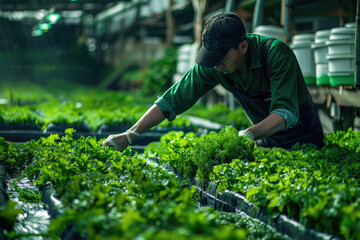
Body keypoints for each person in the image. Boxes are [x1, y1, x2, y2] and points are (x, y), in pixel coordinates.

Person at [102, 11, 324, 151]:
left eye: (221, 58)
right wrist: (131, 134)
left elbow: (285, 113)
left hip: (305, 140)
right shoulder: (217, 65)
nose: (216, 64)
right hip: (267, 142)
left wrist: (247, 135)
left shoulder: (276, 54)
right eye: (211, 58)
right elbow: (173, 99)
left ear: (243, 47)